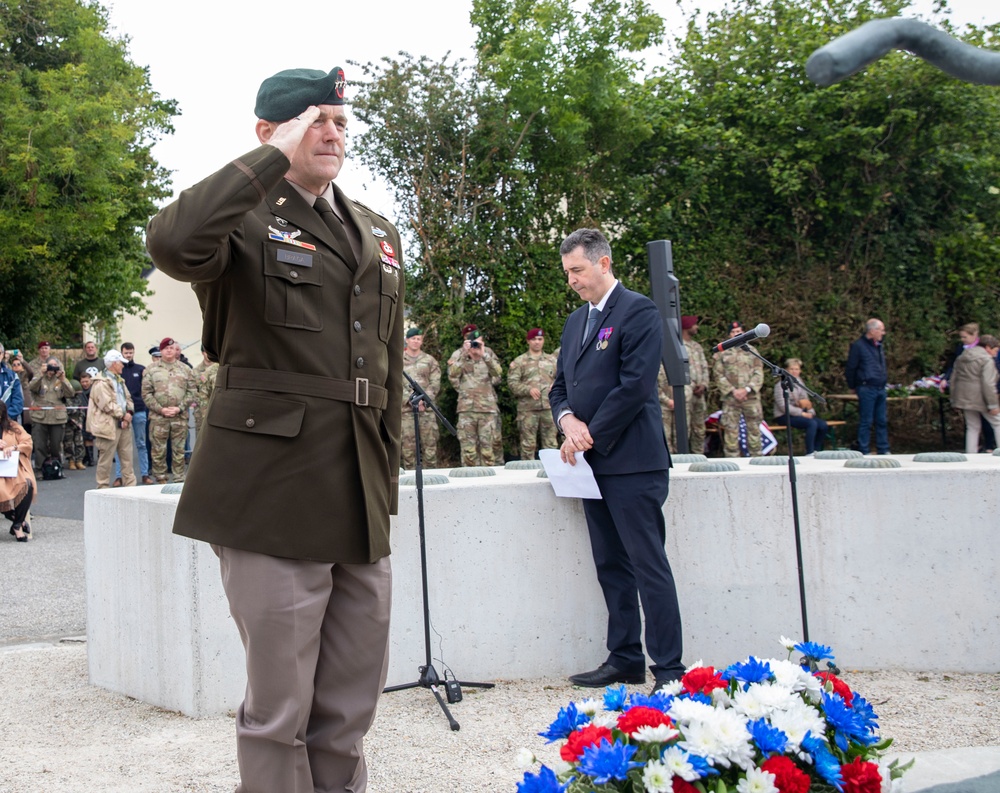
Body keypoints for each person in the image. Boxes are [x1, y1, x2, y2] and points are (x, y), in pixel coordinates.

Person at [145, 65, 404, 793]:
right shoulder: (240, 219)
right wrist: (267, 161)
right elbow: (170, 241)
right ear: (270, 131)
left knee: (349, 702)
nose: (332, 132)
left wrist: (382, 490)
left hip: (356, 489)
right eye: (312, 119)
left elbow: (380, 366)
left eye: (340, 121)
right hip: (272, 487)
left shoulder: (377, 233)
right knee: (278, 707)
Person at [549, 228, 684, 693]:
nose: (572, 280)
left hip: (633, 463)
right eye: (567, 273)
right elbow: (559, 389)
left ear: (604, 264)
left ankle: (667, 670)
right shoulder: (573, 323)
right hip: (591, 467)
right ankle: (625, 658)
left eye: (578, 270)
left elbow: (635, 387)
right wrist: (567, 421)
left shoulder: (639, 311)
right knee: (610, 565)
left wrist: (588, 435)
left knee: (648, 566)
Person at [141, 337, 197, 484]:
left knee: (179, 451)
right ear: (161, 351)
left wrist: (179, 407)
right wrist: (161, 409)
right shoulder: (151, 370)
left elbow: (192, 392)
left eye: (172, 348)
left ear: (176, 350)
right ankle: (160, 480)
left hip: (179, 417)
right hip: (159, 418)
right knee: (158, 450)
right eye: (166, 348)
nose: (169, 350)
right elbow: (146, 393)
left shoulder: (185, 369)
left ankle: (179, 479)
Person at [448, 328, 503, 466]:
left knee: (488, 450)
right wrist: (465, 355)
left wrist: (484, 355)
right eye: (474, 343)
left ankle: (490, 482)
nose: (476, 345)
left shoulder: (488, 353)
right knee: (469, 452)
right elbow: (452, 374)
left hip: (487, 408)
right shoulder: (460, 354)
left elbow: (498, 373)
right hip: (466, 409)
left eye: (479, 342)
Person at [712, 321, 764, 457]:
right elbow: (718, 374)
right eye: (734, 332)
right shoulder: (722, 353)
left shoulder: (752, 351)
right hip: (731, 398)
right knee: (731, 430)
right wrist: (733, 391)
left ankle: (757, 458)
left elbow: (759, 373)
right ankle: (732, 459)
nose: (737, 334)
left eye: (739, 331)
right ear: (729, 335)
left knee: (754, 429)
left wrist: (747, 389)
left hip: (750, 397)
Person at [87, 350, 136, 489]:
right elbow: (106, 404)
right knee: (106, 459)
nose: (123, 366)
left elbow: (128, 398)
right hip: (108, 425)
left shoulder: (119, 380)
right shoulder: (101, 382)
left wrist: (129, 413)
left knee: (127, 458)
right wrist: (123, 414)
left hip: (124, 423)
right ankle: (102, 487)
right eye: (121, 363)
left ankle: (130, 487)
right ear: (114, 363)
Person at [507, 328, 558, 460]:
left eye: (540, 339)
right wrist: (527, 389)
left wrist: (556, 385)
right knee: (528, 446)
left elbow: (563, 378)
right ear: (528, 341)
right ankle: (527, 476)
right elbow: (512, 383)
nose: (537, 342)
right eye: (534, 339)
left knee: (551, 445)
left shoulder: (552, 360)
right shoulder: (520, 361)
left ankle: (551, 474)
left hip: (549, 408)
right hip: (528, 410)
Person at [948, 335, 1000, 454]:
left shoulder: (963, 356)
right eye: (995, 350)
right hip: (981, 397)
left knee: (972, 427)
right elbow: (988, 383)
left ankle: (971, 456)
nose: (996, 354)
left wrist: (954, 398)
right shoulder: (986, 360)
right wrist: (993, 404)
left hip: (964, 397)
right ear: (988, 348)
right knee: (998, 422)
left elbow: (954, 378)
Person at [845, 318, 890, 454]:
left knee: (881, 420)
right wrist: (852, 385)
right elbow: (851, 367)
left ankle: (883, 448)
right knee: (866, 420)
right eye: (881, 330)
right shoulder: (858, 346)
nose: (883, 333)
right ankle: (864, 449)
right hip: (866, 387)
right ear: (872, 330)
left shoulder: (879, 346)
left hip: (880, 387)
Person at [400, 328, 441, 469]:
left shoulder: (429, 360)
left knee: (430, 447)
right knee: (408, 449)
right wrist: (410, 399)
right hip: (406, 411)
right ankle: (411, 483)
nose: (416, 341)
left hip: (426, 410)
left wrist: (424, 399)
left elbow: (435, 382)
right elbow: (394, 383)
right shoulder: (399, 360)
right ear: (407, 340)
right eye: (413, 338)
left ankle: (431, 481)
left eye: (418, 339)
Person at [772, 358, 829, 454]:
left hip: (800, 414)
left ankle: (817, 449)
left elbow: (806, 400)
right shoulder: (780, 385)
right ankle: (809, 452)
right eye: (792, 369)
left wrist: (810, 412)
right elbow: (783, 406)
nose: (794, 371)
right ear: (786, 370)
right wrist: (801, 414)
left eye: (797, 369)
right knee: (811, 424)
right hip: (784, 415)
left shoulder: (800, 383)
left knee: (823, 425)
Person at [29, 356, 75, 470]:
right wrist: (41, 373)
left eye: (55, 365)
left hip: (57, 417)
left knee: (56, 445)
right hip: (40, 417)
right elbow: (31, 386)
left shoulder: (61, 379)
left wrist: (63, 379)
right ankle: (40, 469)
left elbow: (71, 393)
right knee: (40, 445)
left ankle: (56, 467)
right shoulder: (40, 378)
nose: (52, 368)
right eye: (50, 365)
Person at [0, 400, 36, 542]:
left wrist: (14, 448)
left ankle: (16, 525)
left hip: (11, 468)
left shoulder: (13, 426)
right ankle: (18, 521)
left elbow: (27, 442)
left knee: (28, 483)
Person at [118, 342, 153, 484]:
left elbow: (145, 390)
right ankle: (120, 476)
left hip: (138, 410)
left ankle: (145, 474)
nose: (128, 355)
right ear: (122, 353)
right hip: (122, 412)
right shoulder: (118, 370)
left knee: (141, 443)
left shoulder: (140, 369)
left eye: (131, 353)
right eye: (126, 353)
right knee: (120, 445)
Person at [681, 316, 710, 454]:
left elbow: (704, 367)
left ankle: (699, 455)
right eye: (694, 324)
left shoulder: (697, 347)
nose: (696, 327)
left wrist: (704, 384)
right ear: (687, 326)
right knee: (684, 428)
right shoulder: (678, 346)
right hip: (686, 393)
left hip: (699, 395)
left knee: (699, 429)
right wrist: (692, 385)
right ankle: (683, 457)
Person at [0, 343, 24, 425]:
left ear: (3, 355)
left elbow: (18, 402)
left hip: (7, 423)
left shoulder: (12, 376)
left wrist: (5, 417)